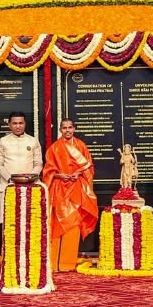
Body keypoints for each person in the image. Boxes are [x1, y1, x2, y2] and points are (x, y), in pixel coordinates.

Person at [42, 116, 99, 271]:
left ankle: (68, 263)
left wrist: (78, 174)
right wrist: (59, 175)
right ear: (60, 130)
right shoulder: (54, 148)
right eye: (64, 127)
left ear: (74, 129)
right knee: (58, 225)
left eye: (70, 127)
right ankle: (54, 263)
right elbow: (47, 171)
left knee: (73, 225)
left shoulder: (81, 146)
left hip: (76, 190)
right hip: (59, 190)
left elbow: (89, 167)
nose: (67, 130)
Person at [0, 110, 43, 221]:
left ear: (25, 124)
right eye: (15, 123)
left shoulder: (33, 141)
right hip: (9, 185)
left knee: (30, 221)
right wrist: (10, 178)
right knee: (9, 223)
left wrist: (29, 178)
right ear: (9, 125)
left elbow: (38, 163)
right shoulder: (2, 141)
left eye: (21, 123)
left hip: (30, 186)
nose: (18, 126)